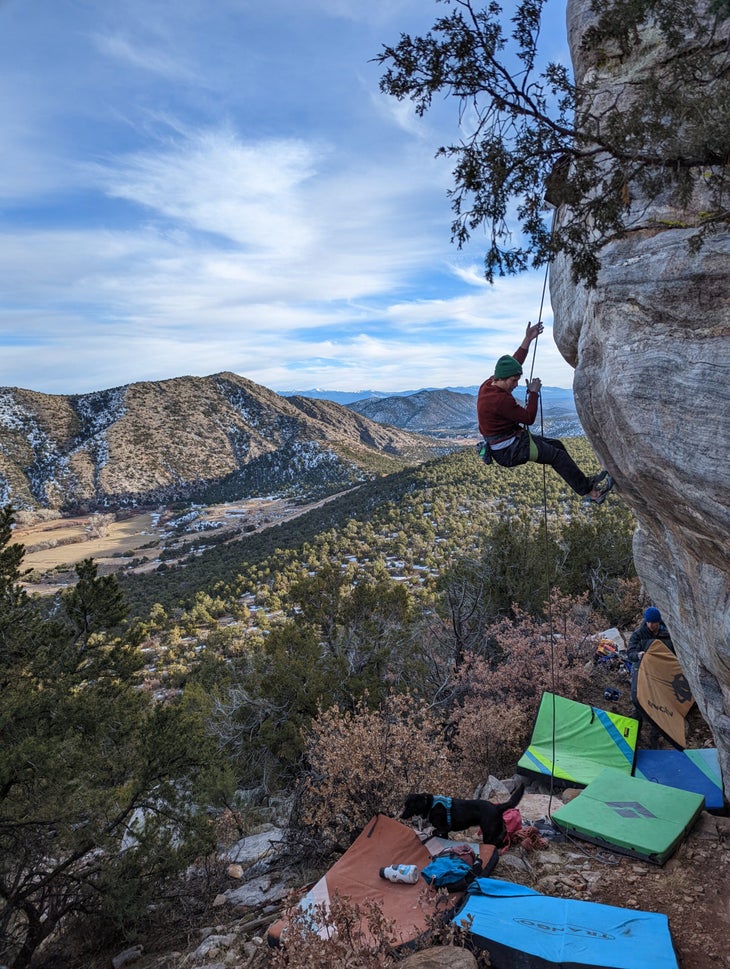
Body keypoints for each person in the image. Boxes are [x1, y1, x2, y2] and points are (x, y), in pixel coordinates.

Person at [477, 322, 614, 502]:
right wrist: (533, 392)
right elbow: (529, 418)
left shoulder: (489, 384)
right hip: (510, 450)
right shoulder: (500, 400)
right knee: (556, 456)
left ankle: (585, 484)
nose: (516, 384)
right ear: (501, 378)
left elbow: (513, 362)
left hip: (509, 444)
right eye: (513, 380)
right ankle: (592, 494)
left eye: (517, 379)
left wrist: (528, 338)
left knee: (557, 446)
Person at [627, 606, 675, 718]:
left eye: (653, 623)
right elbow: (630, 653)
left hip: (661, 672)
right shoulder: (639, 634)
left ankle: (655, 734)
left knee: (660, 704)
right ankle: (635, 733)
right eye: (648, 622)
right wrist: (638, 655)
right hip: (641, 670)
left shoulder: (668, 634)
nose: (651, 626)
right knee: (637, 702)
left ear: (658, 622)